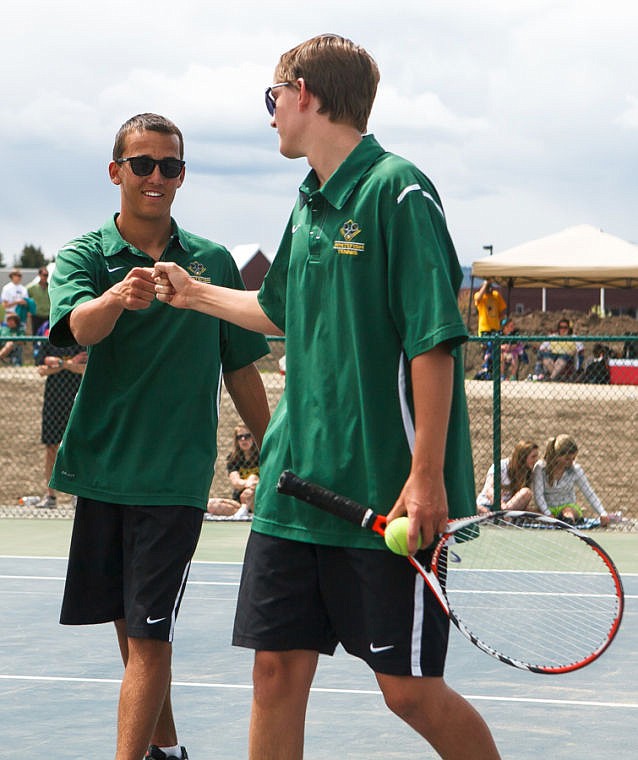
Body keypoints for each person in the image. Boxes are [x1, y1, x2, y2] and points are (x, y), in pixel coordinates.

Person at [154, 35, 500, 760]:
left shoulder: (398, 191)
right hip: (294, 491)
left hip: (385, 496)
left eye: (272, 97)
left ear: (303, 93)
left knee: (408, 692)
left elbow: (433, 342)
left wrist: (426, 475)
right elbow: (280, 311)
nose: (271, 114)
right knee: (275, 674)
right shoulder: (308, 203)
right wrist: (193, 295)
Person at [47, 112, 270, 760]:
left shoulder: (210, 262)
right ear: (116, 172)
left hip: (174, 481)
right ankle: (168, 750)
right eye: (142, 164)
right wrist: (117, 297)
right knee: (131, 629)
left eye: (169, 166)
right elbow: (78, 330)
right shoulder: (85, 255)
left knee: (148, 639)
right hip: (101, 469)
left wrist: (281, 447)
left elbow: (241, 369)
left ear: (182, 176)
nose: (155, 177)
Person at [35, 334, 87, 509]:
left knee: (76, 448)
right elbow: (42, 370)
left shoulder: (81, 340)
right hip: (52, 402)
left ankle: (76, 495)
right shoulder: (49, 341)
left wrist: (58, 364)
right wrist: (70, 364)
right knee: (51, 447)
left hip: (75, 401)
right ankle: (50, 496)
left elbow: (84, 369)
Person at [532, 435, 610, 526]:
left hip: (567, 507)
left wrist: (602, 512)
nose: (571, 462)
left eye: (573, 458)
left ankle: (567, 523)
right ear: (557, 456)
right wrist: (548, 513)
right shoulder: (540, 468)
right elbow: (538, 495)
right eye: (567, 459)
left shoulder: (575, 470)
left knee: (568, 512)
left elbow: (589, 493)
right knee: (532, 513)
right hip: (547, 508)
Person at [476, 440, 539, 514]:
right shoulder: (501, 466)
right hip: (488, 504)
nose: (536, 460)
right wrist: (502, 505)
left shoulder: (528, 472)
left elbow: (520, 499)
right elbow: (489, 490)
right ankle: (503, 515)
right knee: (480, 508)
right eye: (533, 457)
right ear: (523, 456)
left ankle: (503, 515)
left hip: (508, 507)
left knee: (526, 492)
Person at [227, 425, 260, 515]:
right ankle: (244, 509)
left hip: (258, 500)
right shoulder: (233, 459)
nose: (243, 439)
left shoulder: (261, 456)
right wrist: (249, 483)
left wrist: (253, 482)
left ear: (253, 437)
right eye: (239, 437)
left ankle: (244, 510)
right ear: (236, 441)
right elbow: (236, 482)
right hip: (239, 502)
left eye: (247, 436)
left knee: (253, 477)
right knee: (212, 505)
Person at [27, 266, 51, 335]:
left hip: (48, 316)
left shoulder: (51, 288)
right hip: (36, 316)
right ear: (39, 275)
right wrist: (29, 310)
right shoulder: (31, 288)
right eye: (44, 275)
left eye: (47, 275)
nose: (45, 277)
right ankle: (35, 346)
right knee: (36, 334)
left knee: (47, 334)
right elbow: (25, 298)